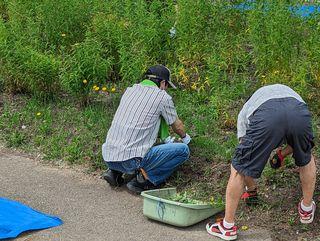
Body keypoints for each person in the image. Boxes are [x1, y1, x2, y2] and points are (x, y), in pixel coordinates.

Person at [206, 84, 316, 240]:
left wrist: (252, 190)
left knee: (238, 167)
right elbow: (298, 143)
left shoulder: (246, 111)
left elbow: (244, 163)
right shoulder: (287, 93)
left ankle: (227, 226)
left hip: (267, 117)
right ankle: (306, 208)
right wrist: (282, 154)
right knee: (306, 158)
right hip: (298, 112)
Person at [101, 65, 191, 194]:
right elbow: (177, 126)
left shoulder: (129, 91)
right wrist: (186, 138)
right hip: (131, 160)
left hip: (109, 155)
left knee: (136, 137)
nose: (166, 90)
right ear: (163, 83)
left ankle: (114, 172)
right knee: (183, 151)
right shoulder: (162, 97)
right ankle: (144, 181)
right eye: (167, 87)